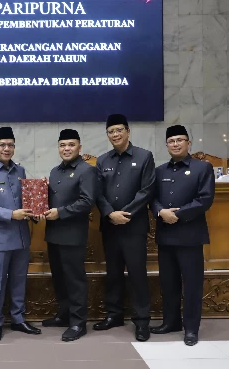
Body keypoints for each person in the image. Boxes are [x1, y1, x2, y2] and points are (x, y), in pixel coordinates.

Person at [0, 126, 42, 342]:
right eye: (2, 145)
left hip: (21, 237)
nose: (6, 148)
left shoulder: (19, 171)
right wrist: (11, 214)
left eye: (10, 145)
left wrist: (34, 211)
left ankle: (18, 319)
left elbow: (25, 202)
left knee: (19, 280)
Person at [149, 125, 215, 346]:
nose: (175, 144)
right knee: (169, 283)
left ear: (189, 143)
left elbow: (204, 200)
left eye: (180, 140)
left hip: (190, 236)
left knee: (192, 285)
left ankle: (191, 329)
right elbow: (152, 198)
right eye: (171, 141)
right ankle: (171, 322)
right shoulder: (159, 171)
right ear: (166, 145)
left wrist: (178, 214)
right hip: (166, 236)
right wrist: (160, 212)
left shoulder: (202, 168)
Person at [94, 114, 156, 342]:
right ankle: (114, 314)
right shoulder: (102, 161)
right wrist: (110, 213)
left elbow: (147, 190)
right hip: (110, 226)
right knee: (113, 274)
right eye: (111, 131)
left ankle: (141, 321)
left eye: (119, 130)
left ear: (128, 131)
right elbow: (97, 193)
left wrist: (125, 214)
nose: (115, 135)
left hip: (133, 226)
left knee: (137, 274)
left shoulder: (144, 157)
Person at [41, 129, 98, 342]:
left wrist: (61, 213)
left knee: (74, 280)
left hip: (73, 235)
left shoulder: (86, 170)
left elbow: (86, 201)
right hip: (53, 234)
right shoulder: (55, 171)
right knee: (60, 278)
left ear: (79, 147)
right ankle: (64, 316)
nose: (66, 149)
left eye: (71, 145)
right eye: (63, 145)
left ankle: (77, 322)